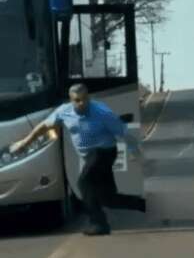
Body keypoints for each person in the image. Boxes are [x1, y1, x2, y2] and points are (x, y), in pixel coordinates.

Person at [11, 83, 147, 236]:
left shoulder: (102, 112)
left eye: (85, 99)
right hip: (89, 156)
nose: (82, 103)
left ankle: (98, 224)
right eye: (77, 100)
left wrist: (135, 153)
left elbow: (124, 132)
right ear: (71, 100)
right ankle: (143, 204)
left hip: (105, 152)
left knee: (84, 182)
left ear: (88, 97)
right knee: (108, 199)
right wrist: (24, 143)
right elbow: (44, 126)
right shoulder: (64, 111)